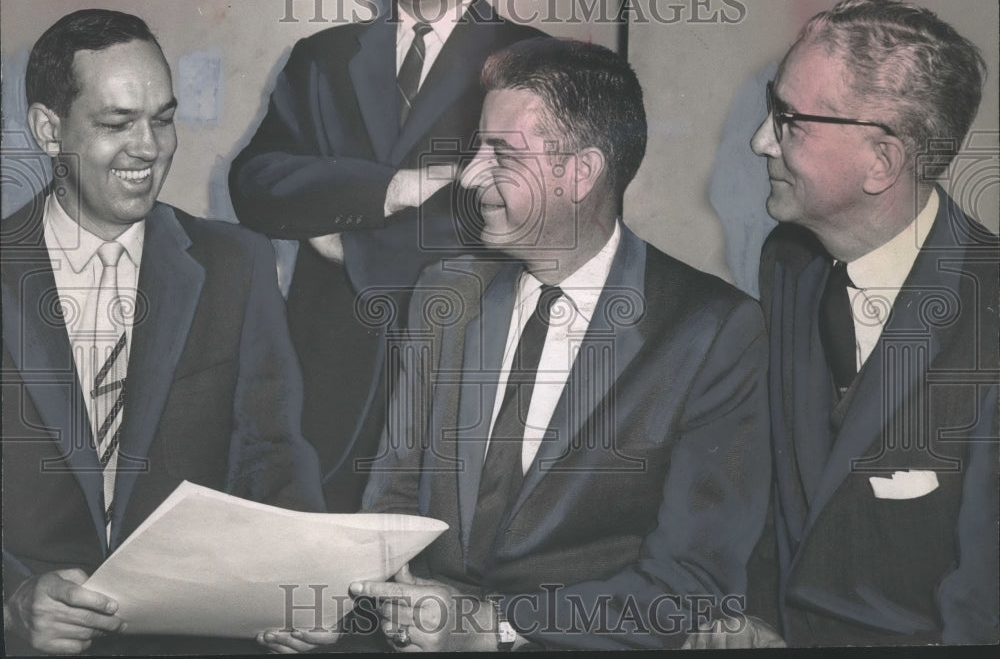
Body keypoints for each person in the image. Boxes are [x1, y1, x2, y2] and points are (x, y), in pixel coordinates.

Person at [258, 38, 770, 652]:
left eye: (500, 153)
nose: (471, 175)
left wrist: (491, 626)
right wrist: (347, 601)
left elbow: (690, 584)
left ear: (579, 172)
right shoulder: (445, 293)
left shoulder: (711, 330)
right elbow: (393, 500)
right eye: (477, 148)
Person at [229, 0, 544, 512]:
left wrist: (349, 241)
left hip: (463, 381)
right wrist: (392, 190)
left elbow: (519, 214)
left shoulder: (533, 62)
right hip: (327, 388)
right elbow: (254, 184)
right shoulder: (321, 59)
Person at [2, 9, 325, 656]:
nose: (148, 148)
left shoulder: (235, 262)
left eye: (162, 118)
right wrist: (12, 603)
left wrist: (302, 585)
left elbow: (274, 456)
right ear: (47, 129)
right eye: (116, 123)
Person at [748, 0, 998, 645]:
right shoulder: (787, 261)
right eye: (772, 107)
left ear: (882, 161)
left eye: (789, 120)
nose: (761, 140)